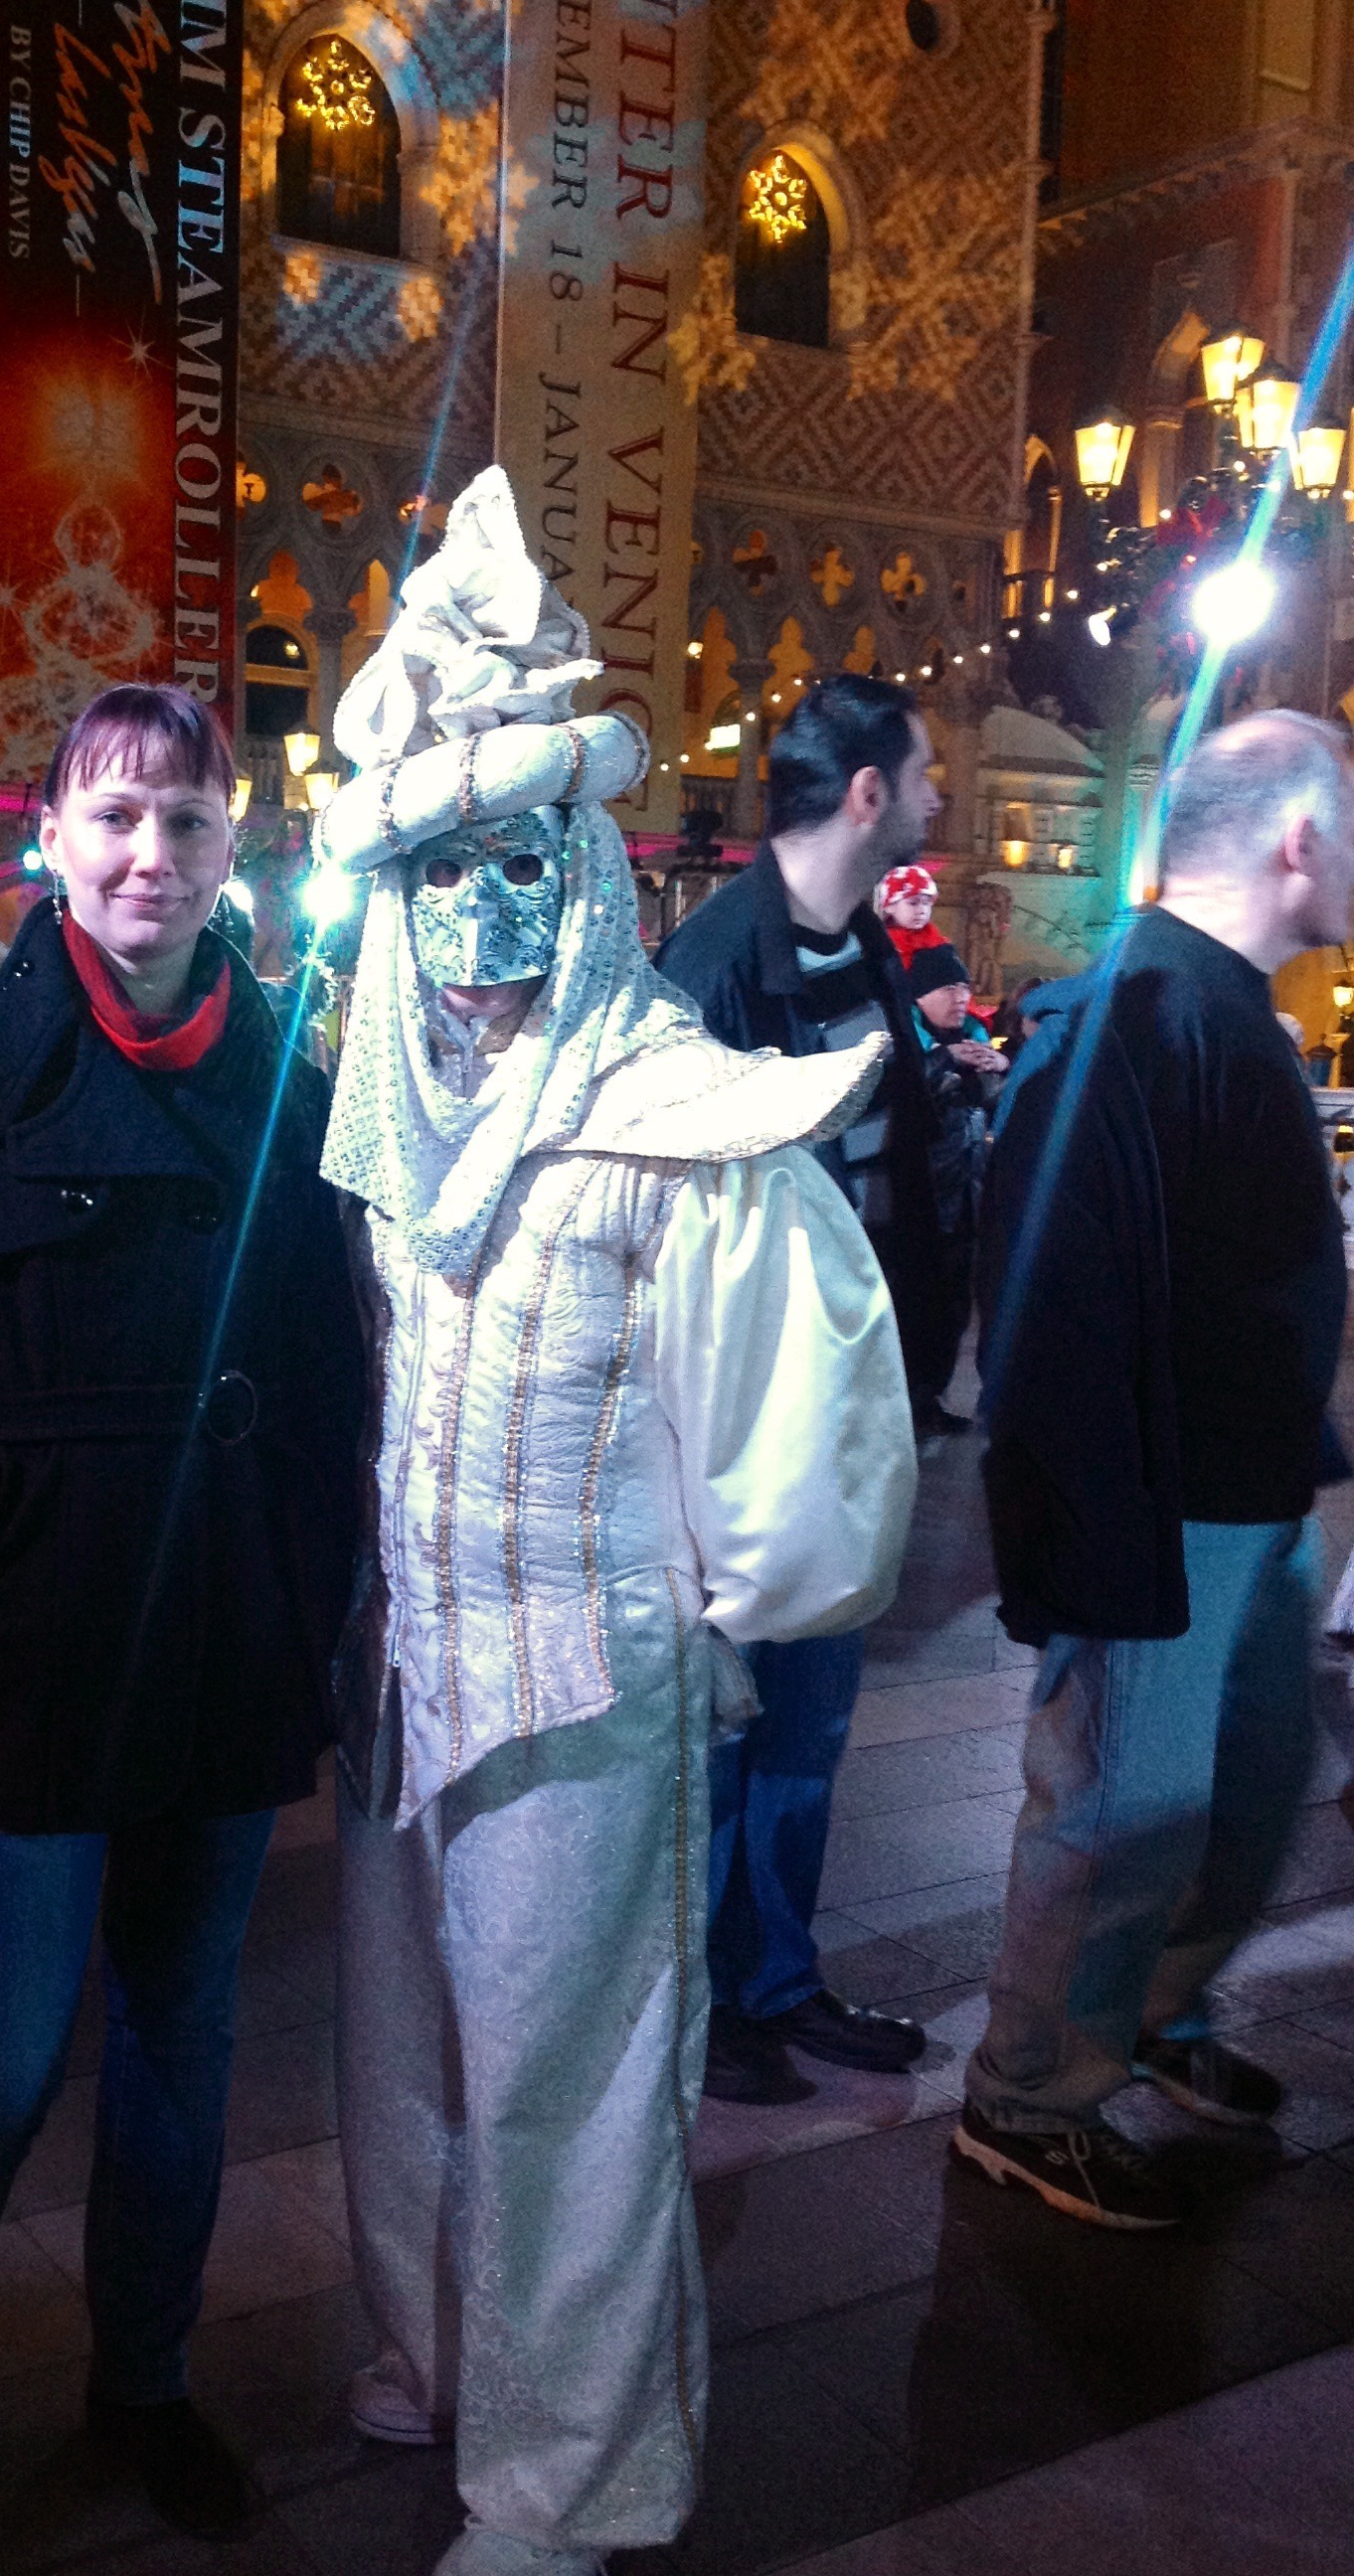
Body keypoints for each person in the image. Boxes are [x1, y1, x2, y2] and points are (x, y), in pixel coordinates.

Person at [319, 473, 916, 2576]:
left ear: (574, 867)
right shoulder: (399, 1117)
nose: (470, 921)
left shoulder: (677, 1117)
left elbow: (790, 1454)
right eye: (434, 872)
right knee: (405, 2047)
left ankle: (561, 2483)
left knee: (571, 2091)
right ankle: (436, 2347)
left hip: (587, 1681)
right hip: (412, 1670)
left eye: (513, 865)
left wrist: (719, 1622)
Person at [0, 684, 365, 2574]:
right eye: (114, 816)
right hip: (27, 1637)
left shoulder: (290, 1081)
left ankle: (144, 2383)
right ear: (50, 835)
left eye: (186, 821)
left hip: (216, 1632)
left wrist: (305, 1586)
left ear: (231, 849)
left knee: (184, 2048)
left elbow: (327, 1368)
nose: (149, 857)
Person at [957, 711, 1354, 2229]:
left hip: (1253, 1504)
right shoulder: (1127, 1016)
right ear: (1298, 839)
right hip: (1163, 1519)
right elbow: (1046, 1317)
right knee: (1123, 1813)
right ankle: (1028, 2095)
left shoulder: (1226, 1009)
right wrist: (1096, 1546)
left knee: (1248, 1798)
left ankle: (1149, 2017)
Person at [654, 675, 947, 2099]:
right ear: (869, 793)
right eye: (926, 773)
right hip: (743, 1411)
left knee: (812, 1717)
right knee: (727, 1719)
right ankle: (704, 2006)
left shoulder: (868, 946)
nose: (940, 795)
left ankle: (777, 1979)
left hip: (843, 1397)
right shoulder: (715, 960)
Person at [908, 944, 1006, 1428]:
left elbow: (992, 1107)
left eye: (965, 987)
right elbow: (895, 1090)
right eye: (948, 987)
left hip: (965, 1198)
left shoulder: (976, 1042)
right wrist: (942, 1060)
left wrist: (1001, 1070)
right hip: (917, 1202)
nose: (961, 996)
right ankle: (903, 1404)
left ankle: (931, 1400)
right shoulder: (903, 1042)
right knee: (912, 1305)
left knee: (953, 1308)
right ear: (920, 995)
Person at [874, 858, 948, 969]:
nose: (922, 910)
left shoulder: (940, 948)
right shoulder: (875, 945)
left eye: (927, 903)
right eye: (913, 903)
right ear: (889, 906)